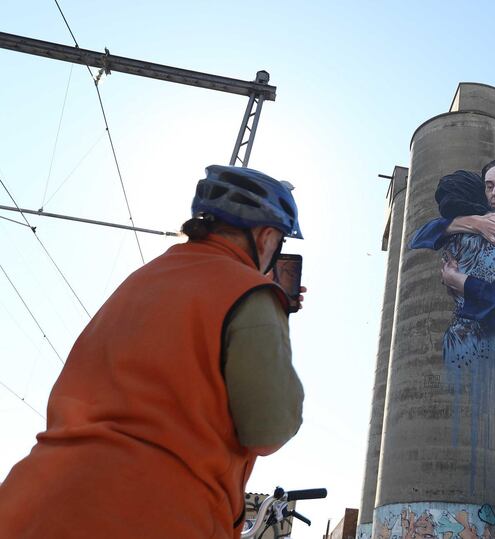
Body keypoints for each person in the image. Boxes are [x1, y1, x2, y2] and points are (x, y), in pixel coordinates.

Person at [0, 165, 305, 539]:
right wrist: (268, 313)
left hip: (27, 503)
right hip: (150, 514)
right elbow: (269, 429)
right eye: (281, 243)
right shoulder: (251, 294)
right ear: (266, 236)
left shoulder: (144, 277)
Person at [409, 160, 495, 367]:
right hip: (461, 348)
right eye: (489, 187)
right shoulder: (480, 221)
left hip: (486, 355)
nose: (494, 194)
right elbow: (418, 238)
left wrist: (460, 281)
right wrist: (475, 223)